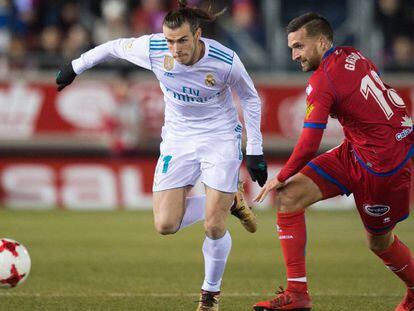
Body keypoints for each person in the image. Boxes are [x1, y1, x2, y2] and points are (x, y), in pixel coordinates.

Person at [56, 1, 268, 310]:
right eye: (170, 40)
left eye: (182, 40)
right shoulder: (154, 48)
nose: (175, 48)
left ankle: (210, 295)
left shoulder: (225, 60)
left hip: (219, 136)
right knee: (166, 224)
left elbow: (250, 98)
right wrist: (75, 67)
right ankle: (229, 201)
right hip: (178, 138)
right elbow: (113, 47)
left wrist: (255, 149)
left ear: (197, 35)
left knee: (213, 225)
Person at [253, 12, 414, 311]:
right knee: (289, 197)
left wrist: (282, 173)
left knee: (379, 243)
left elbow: (310, 142)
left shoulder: (323, 79)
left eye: (299, 46)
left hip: (383, 165)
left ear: (322, 41)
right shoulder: (351, 55)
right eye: (291, 48)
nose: (294, 55)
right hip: (358, 149)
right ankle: (297, 294)